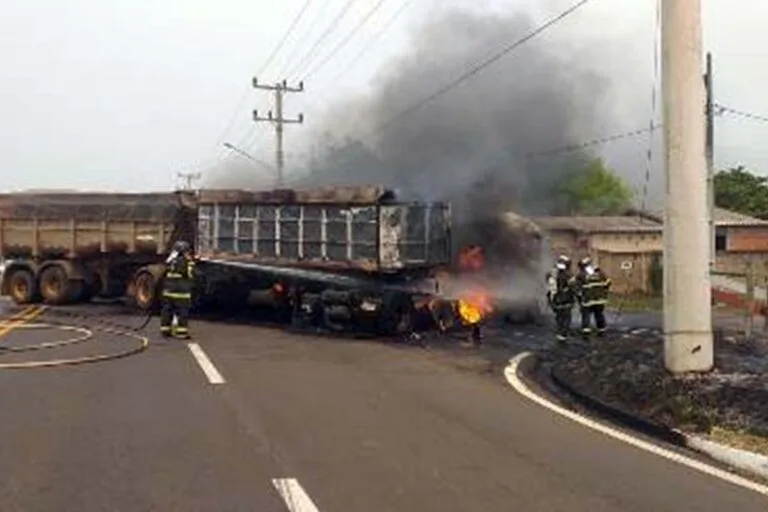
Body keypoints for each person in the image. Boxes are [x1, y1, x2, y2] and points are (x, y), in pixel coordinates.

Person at [160, 240, 196, 339]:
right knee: (182, 313)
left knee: (167, 311)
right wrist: (191, 262)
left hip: (168, 291)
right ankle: (181, 333)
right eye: (187, 251)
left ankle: (165, 331)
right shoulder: (186, 262)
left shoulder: (170, 261)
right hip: (181, 293)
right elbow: (190, 274)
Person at [573, 257, 612, 339]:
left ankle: (586, 334)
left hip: (587, 300)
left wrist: (579, 298)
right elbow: (608, 283)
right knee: (599, 314)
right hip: (600, 300)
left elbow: (576, 287)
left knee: (586, 316)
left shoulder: (581, 275)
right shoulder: (600, 273)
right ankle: (602, 331)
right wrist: (604, 292)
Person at [546, 255, 575, 343]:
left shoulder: (551, 274)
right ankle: (563, 335)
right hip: (566, 300)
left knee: (559, 317)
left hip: (555, 301)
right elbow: (573, 286)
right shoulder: (568, 275)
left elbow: (549, 287)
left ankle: (560, 333)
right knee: (566, 318)